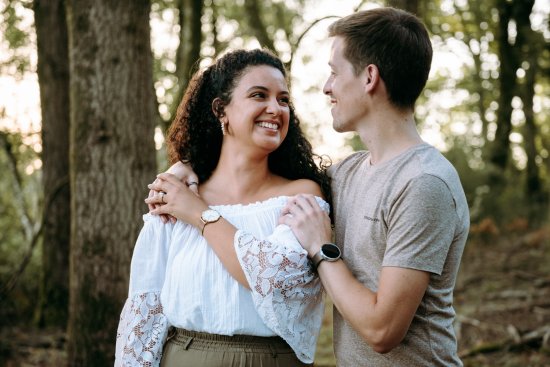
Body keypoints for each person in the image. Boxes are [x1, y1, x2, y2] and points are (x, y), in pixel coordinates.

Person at [162, 7, 470, 367]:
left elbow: (382, 331)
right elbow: (264, 181)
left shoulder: (423, 183)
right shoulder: (351, 173)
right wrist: (189, 165)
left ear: (369, 77)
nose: (326, 87)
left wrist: (321, 250)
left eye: (334, 73)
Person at [114, 48, 331, 367]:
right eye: (260, 95)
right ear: (221, 110)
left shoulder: (301, 197)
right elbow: (145, 312)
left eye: (283, 100)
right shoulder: (174, 196)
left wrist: (199, 215)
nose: (275, 108)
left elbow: (269, 278)